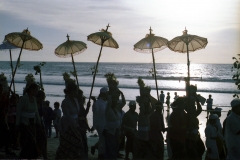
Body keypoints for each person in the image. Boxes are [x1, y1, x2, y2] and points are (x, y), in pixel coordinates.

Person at [55, 82, 84, 159]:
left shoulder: (76, 100)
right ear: (71, 91)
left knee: (77, 143)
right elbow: (67, 115)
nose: (77, 93)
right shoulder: (65, 102)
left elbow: (77, 113)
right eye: (75, 91)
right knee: (67, 143)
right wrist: (76, 126)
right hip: (67, 125)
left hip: (75, 122)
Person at [16, 83, 41, 159]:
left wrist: (39, 122)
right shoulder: (24, 99)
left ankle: (29, 156)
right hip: (24, 122)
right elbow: (19, 112)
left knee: (32, 140)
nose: (37, 92)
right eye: (36, 90)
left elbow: (36, 112)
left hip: (32, 122)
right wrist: (17, 124)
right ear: (31, 90)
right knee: (28, 141)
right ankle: (24, 156)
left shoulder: (34, 99)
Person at [104, 89, 126, 160]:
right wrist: (110, 94)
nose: (115, 102)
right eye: (114, 101)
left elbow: (123, 103)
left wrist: (122, 94)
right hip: (110, 132)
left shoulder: (116, 109)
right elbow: (109, 102)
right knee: (110, 148)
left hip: (116, 131)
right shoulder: (108, 109)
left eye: (116, 102)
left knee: (115, 147)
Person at [92, 87, 108, 159]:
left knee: (103, 140)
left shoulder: (105, 102)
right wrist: (94, 101)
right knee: (102, 140)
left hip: (105, 124)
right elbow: (95, 110)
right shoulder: (98, 102)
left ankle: (102, 154)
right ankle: (100, 155)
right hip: (100, 124)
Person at [0, 83, 15, 156]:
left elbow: (7, 106)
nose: (1, 90)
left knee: (7, 132)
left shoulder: (3, 97)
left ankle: (6, 148)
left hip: (2, 117)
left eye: (1, 88)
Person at [35, 90, 48, 159]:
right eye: (41, 98)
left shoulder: (41, 104)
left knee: (43, 140)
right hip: (36, 123)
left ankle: (44, 155)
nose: (42, 99)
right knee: (40, 140)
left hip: (40, 122)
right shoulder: (35, 104)